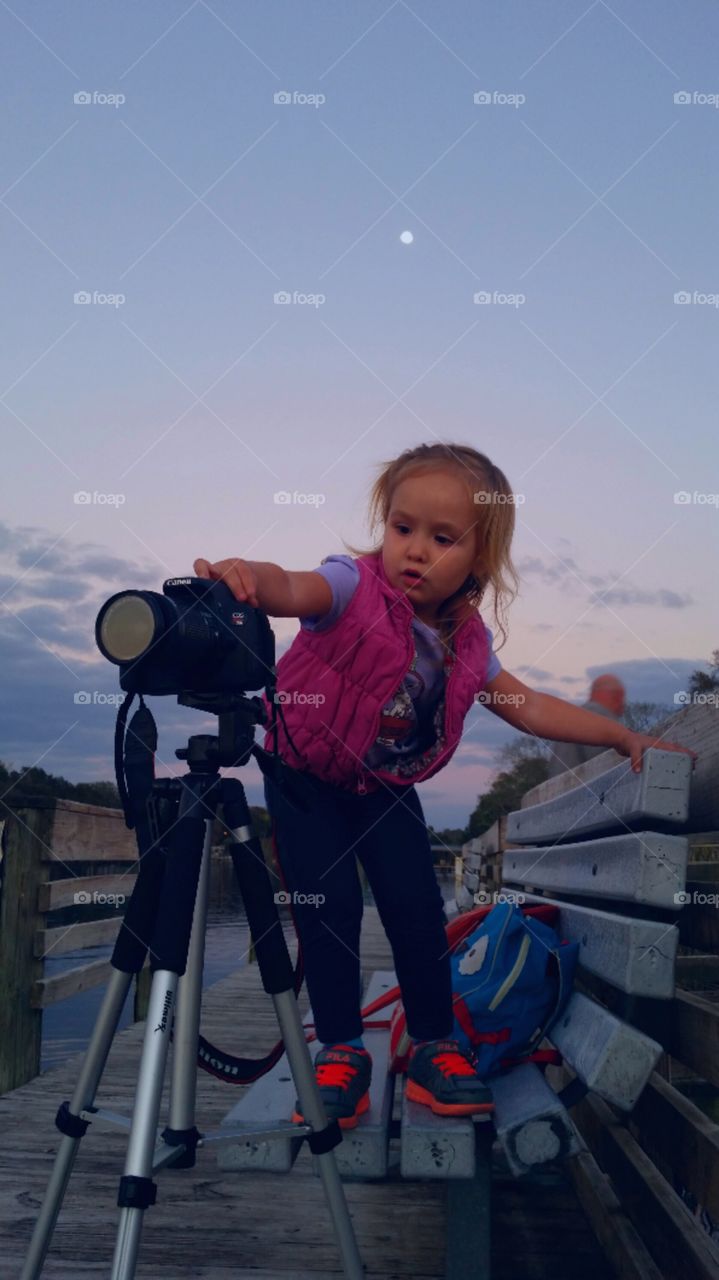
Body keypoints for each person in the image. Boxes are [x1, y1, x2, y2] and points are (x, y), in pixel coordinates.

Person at [194, 442, 697, 1129]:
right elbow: (291, 585)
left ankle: (434, 1042)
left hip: (384, 788)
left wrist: (618, 735)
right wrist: (243, 574)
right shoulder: (350, 585)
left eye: (441, 538)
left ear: (479, 560)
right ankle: (341, 1049)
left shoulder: (466, 645)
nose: (415, 551)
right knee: (330, 910)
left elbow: (526, 704)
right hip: (305, 780)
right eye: (402, 529)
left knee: (415, 910)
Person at [546, 674, 626, 778]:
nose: (623, 705)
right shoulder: (603, 719)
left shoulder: (574, 717)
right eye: (623, 699)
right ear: (617, 697)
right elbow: (607, 769)